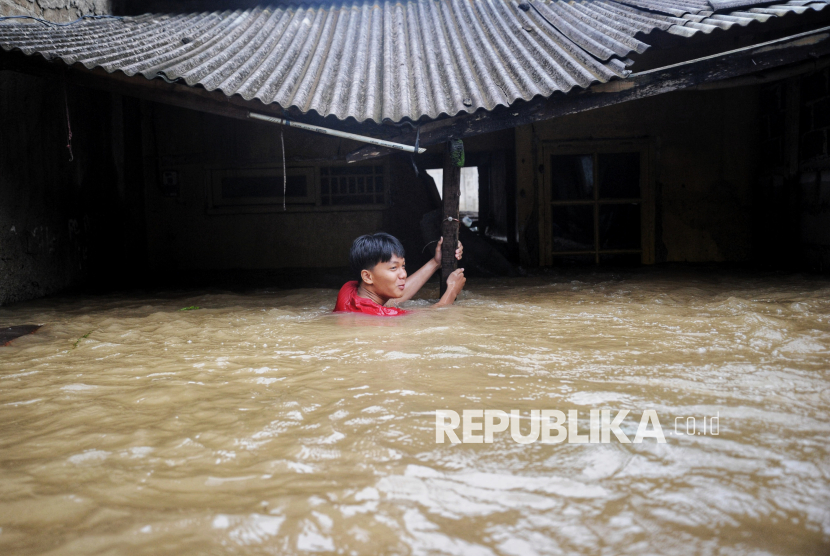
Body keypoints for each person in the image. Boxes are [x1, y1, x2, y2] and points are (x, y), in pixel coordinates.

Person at [334, 232, 465, 316]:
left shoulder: (348, 289)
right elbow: (435, 315)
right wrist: (452, 290)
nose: (403, 274)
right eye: (393, 268)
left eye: (403, 266)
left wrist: (436, 262)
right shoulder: (382, 316)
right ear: (367, 276)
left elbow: (393, 300)